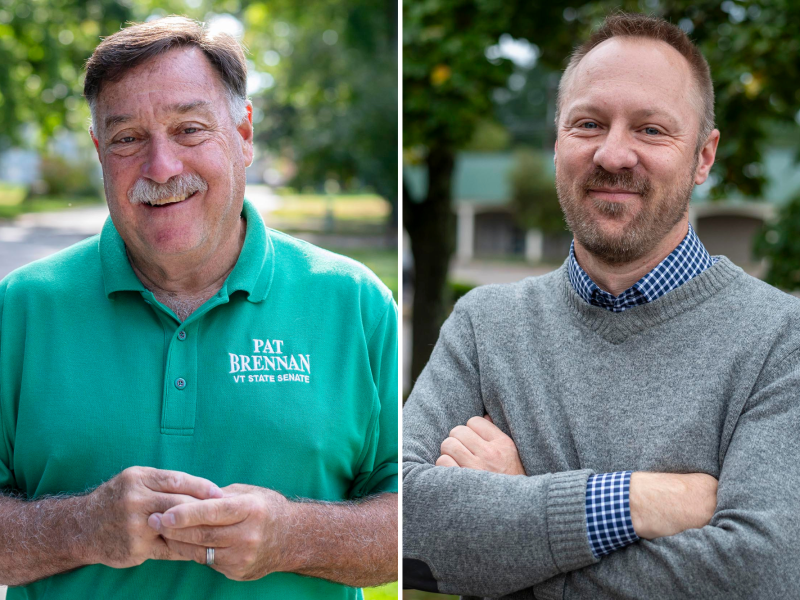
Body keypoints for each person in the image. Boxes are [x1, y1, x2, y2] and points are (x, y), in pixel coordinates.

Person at [403, 13, 800, 600]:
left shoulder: (781, 340)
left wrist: (515, 527)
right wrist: (635, 501)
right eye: (588, 124)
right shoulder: (484, 326)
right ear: (557, 141)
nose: (613, 155)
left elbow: (764, 575)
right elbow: (404, 526)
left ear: (703, 156)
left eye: (651, 130)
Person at [0, 16, 397, 600]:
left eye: (189, 129)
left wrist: (292, 536)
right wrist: (81, 527)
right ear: (99, 152)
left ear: (243, 133)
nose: (161, 167)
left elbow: (411, 521)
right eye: (127, 138)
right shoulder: (20, 308)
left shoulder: (355, 303)